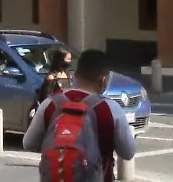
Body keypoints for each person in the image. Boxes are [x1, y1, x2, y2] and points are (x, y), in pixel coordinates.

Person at [23, 48, 137, 182]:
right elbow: (128, 152)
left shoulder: (50, 104)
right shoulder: (111, 109)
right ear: (104, 80)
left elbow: (28, 143)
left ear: (75, 75)